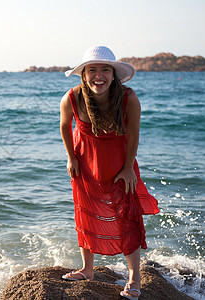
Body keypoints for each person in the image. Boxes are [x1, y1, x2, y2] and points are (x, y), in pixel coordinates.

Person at [59, 46, 159, 300]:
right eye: (92, 70)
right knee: (84, 216)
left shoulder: (129, 99)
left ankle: (135, 278)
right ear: (84, 75)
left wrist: (128, 168)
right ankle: (87, 269)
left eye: (105, 69)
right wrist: (71, 158)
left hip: (119, 167)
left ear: (114, 74)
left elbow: (134, 135)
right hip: (85, 165)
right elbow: (64, 127)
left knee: (127, 219)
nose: (99, 75)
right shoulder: (72, 97)